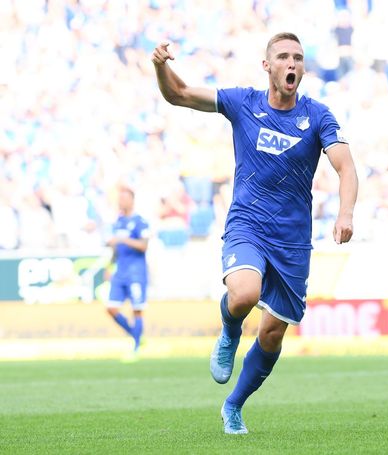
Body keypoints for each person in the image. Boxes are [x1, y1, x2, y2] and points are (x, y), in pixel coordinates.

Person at [152, 33, 358, 434]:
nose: (291, 63)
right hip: (247, 224)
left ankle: (233, 405)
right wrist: (161, 66)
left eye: (298, 57)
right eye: (283, 57)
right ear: (268, 66)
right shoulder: (242, 102)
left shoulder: (318, 116)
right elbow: (177, 94)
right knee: (244, 293)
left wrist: (345, 213)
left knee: (272, 333)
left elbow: (346, 168)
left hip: (293, 240)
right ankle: (229, 332)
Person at [105, 185, 150, 363]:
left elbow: (144, 246)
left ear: (132, 200)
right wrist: (109, 266)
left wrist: (124, 239)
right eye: (119, 198)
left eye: (124, 198)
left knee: (137, 310)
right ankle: (136, 335)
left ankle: (136, 348)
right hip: (120, 272)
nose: (120, 201)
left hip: (136, 272)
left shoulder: (140, 222)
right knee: (111, 308)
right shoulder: (118, 222)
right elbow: (116, 248)